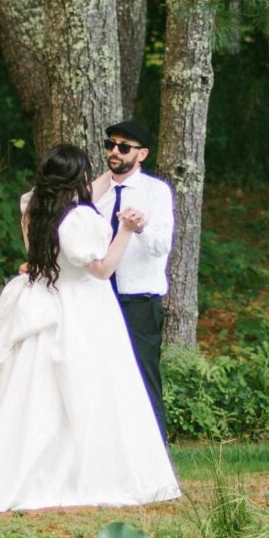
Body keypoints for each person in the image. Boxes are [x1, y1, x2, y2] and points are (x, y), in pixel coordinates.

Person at [0, 142, 181, 514]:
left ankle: (25, 466)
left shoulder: (33, 207)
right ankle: (80, 472)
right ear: (78, 177)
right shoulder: (79, 219)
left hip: (39, 297)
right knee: (89, 388)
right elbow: (102, 270)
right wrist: (126, 230)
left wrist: (107, 173)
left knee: (32, 391)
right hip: (81, 306)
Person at [97, 120, 175, 442]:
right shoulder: (96, 193)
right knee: (101, 377)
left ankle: (155, 452)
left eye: (124, 147)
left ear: (141, 154)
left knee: (144, 378)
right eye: (111, 145)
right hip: (98, 298)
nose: (115, 151)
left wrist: (139, 228)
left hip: (138, 301)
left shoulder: (155, 192)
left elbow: (161, 246)